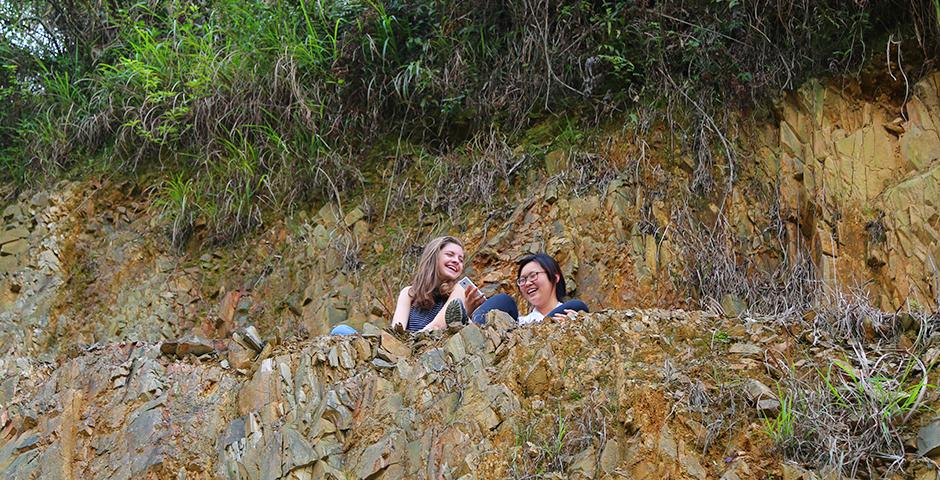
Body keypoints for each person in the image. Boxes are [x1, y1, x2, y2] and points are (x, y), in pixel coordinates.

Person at [390, 236, 485, 332]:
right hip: (410, 345)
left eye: (461, 260)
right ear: (434, 257)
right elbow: (397, 332)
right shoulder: (408, 293)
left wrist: (465, 313)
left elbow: (437, 327)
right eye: (450, 255)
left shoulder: (459, 289)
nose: (456, 261)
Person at [470, 253, 588, 325]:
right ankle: (472, 325)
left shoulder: (573, 314)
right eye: (522, 280)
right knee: (504, 301)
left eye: (533, 276)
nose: (527, 283)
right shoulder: (519, 323)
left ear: (555, 277)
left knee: (578, 306)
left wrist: (577, 324)